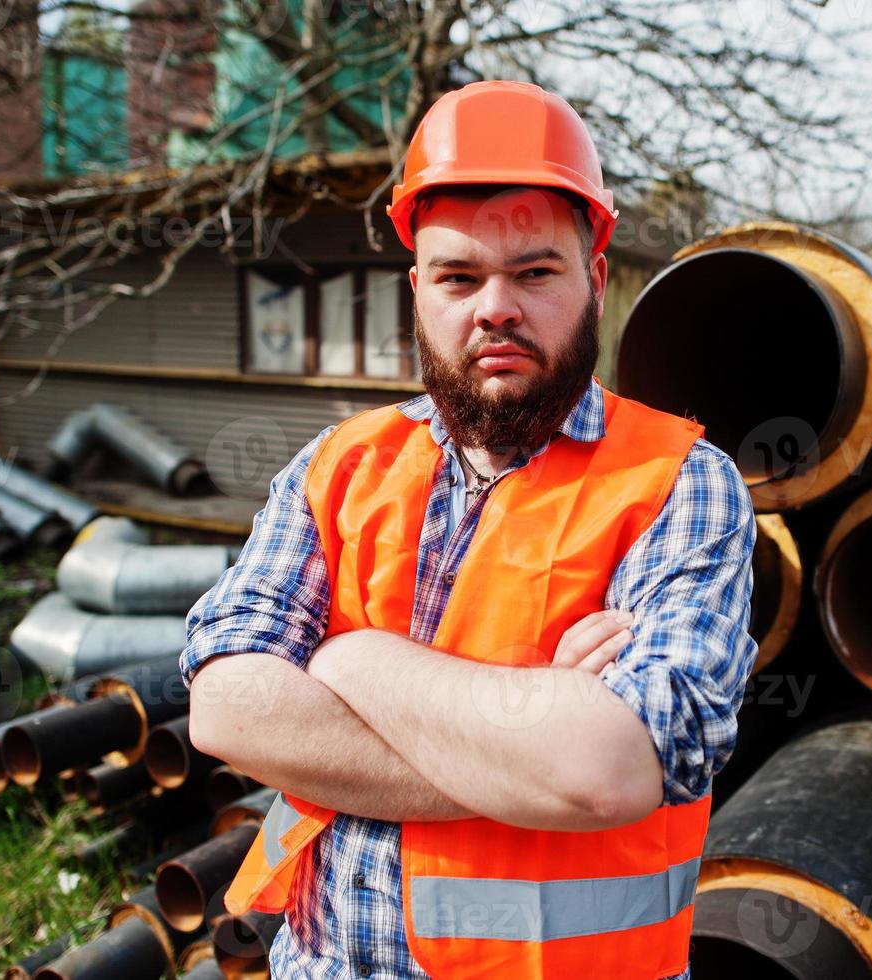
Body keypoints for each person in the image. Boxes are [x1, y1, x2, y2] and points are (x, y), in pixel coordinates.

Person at [182, 79, 758, 980]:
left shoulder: (680, 487)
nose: (495, 307)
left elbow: (615, 768)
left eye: (534, 272)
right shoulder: (338, 465)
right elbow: (224, 707)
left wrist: (350, 664)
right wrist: (528, 738)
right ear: (418, 291)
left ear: (594, 282)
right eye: (458, 277)